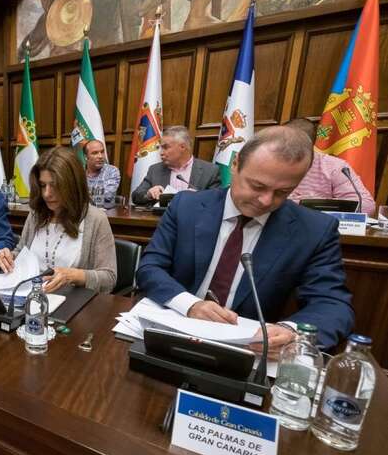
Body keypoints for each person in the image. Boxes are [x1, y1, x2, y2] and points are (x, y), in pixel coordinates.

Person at [136, 126, 354, 351]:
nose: (266, 201)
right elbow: (150, 268)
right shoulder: (186, 206)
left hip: (250, 350)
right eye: (257, 186)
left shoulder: (315, 230)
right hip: (174, 332)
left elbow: (333, 304)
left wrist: (291, 331)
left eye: (283, 192)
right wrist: (190, 304)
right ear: (236, 164)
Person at [0, 146, 117, 294]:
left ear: (72, 185)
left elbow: (109, 278)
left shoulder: (95, 219)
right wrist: (9, 257)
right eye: (42, 185)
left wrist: (73, 276)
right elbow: (22, 251)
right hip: (29, 298)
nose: (47, 194)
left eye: (55, 185)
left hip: (71, 304)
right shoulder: (36, 214)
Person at [284, 118, 376, 215]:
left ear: (310, 146)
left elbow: (365, 205)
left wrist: (312, 206)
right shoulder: (268, 160)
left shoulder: (334, 167)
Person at [131, 126, 220, 205]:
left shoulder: (210, 171)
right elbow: (135, 197)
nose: (161, 153)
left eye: (165, 147)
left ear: (182, 147)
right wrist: (149, 194)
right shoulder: (155, 170)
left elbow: (216, 202)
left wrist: (197, 197)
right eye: (161, 148)